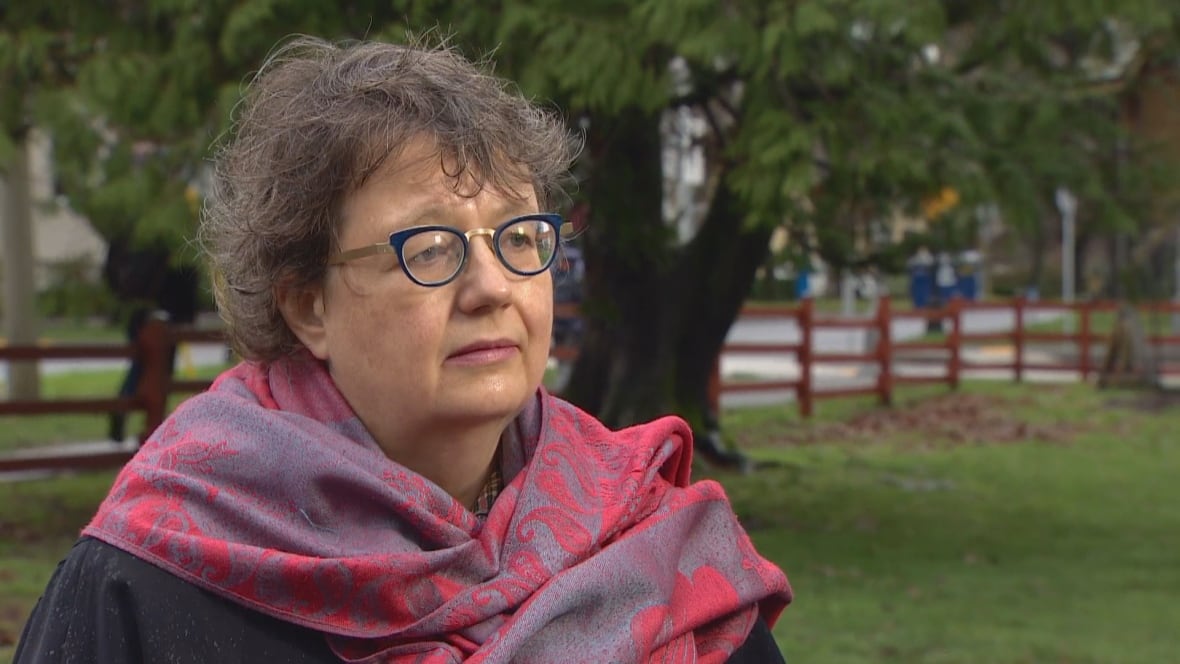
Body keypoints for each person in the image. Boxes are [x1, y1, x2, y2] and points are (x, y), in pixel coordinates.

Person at [16, 36, 791, 663]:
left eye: (520, 236)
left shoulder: (649, 537)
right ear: (306, 304)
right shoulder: (151, 581)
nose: (492, 287)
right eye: (429, 247)